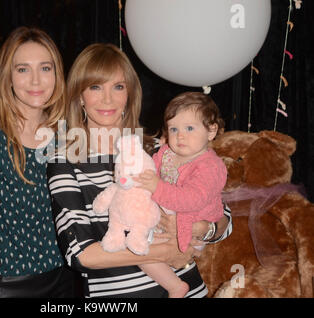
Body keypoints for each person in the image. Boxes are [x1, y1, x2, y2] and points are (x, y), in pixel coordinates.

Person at [47, 43, 232, 298]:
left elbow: (222, 214)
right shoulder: (65, 159)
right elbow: (80, 254)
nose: (107, 99)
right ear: (80, 96)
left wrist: (203, 229)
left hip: (190, 290)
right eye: (95, 87)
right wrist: (166, 251)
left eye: (118, 87)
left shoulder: (158, 148)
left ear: (130, 94)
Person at [0, 26, 74, 298]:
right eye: (22, 69)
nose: (35, 81)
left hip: (65, 281)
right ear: (6, 77)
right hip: (9, 287)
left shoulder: (66, 136)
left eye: (45, 68)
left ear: (57, 75)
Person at [134, 92, 227, 297]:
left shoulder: (210, 165)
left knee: (140, 249)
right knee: (139, 242)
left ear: (211, 131)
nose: (180, 136)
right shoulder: (167, 153)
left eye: (190, 128)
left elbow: (193, 200)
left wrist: (157, 188)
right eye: (174, 129)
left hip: (189, 225)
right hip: (169, 218)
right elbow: (152, 171)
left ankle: (175, 286)